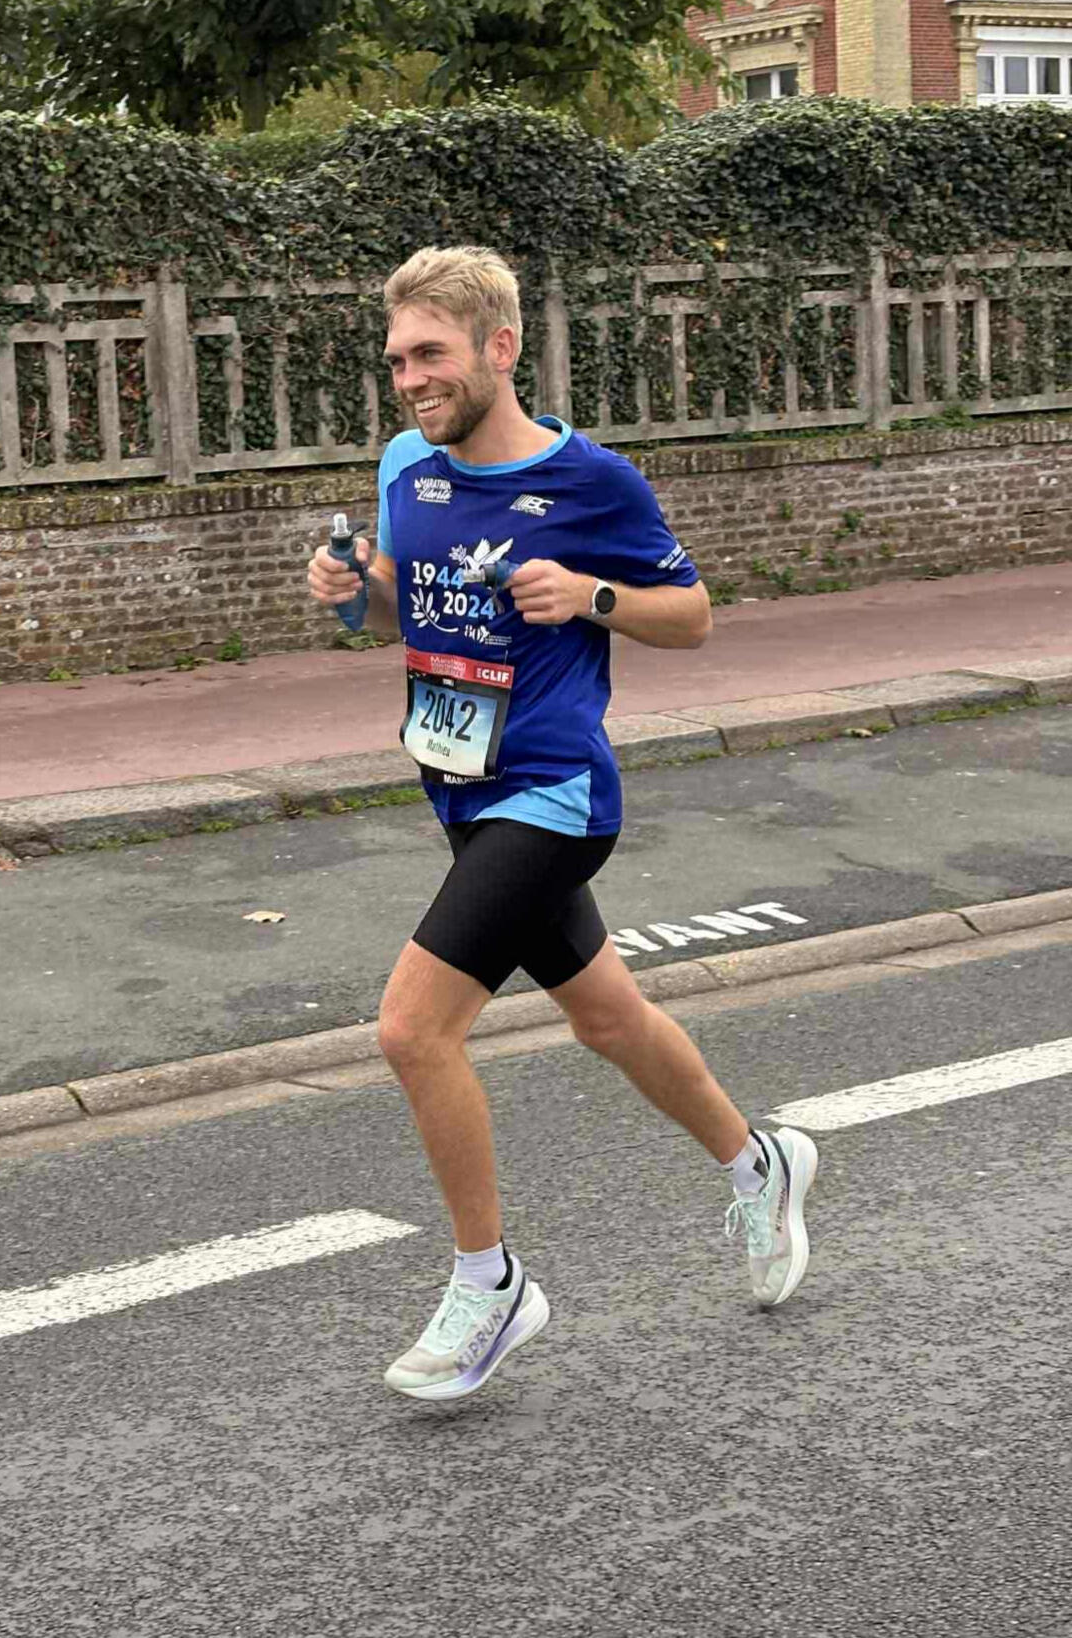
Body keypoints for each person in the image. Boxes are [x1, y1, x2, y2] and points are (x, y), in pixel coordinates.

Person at [307, 245, 818, 1403]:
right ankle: (761, 1162)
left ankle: (488, 1286)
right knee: (605, 1017)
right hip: (458, 791)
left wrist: (592, 598)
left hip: (551, 796)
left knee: (410, 1030)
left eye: (428, 354)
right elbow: (400, 604)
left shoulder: (593, 484)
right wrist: (353, 599)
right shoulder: (408, 467)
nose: (407, 380)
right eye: (394, 360)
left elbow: (687, 617)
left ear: (499, 349)